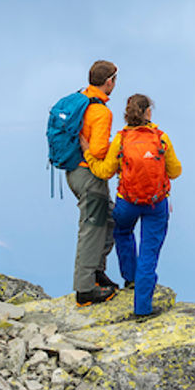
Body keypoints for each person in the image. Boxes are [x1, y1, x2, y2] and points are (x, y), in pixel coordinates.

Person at [103, 93, 182, 319]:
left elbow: (107, 170)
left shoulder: (121, 139)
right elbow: (175, 171)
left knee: (122, 232)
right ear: (148, 112)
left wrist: (89, 157)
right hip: (157, 204)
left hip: (127, 201)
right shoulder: (161, 138)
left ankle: (130, 278)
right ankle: (143, 308)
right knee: (149, 253)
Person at [67, 60, 122, 305]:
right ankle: (85, 289)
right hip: (89, 176)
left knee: (108, 219)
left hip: (73, 172)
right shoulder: (100, 111)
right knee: (92, 229)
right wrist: (118, 151)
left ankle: (96, 272)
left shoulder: (81, 99)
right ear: (109, 81)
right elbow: (98, 151)